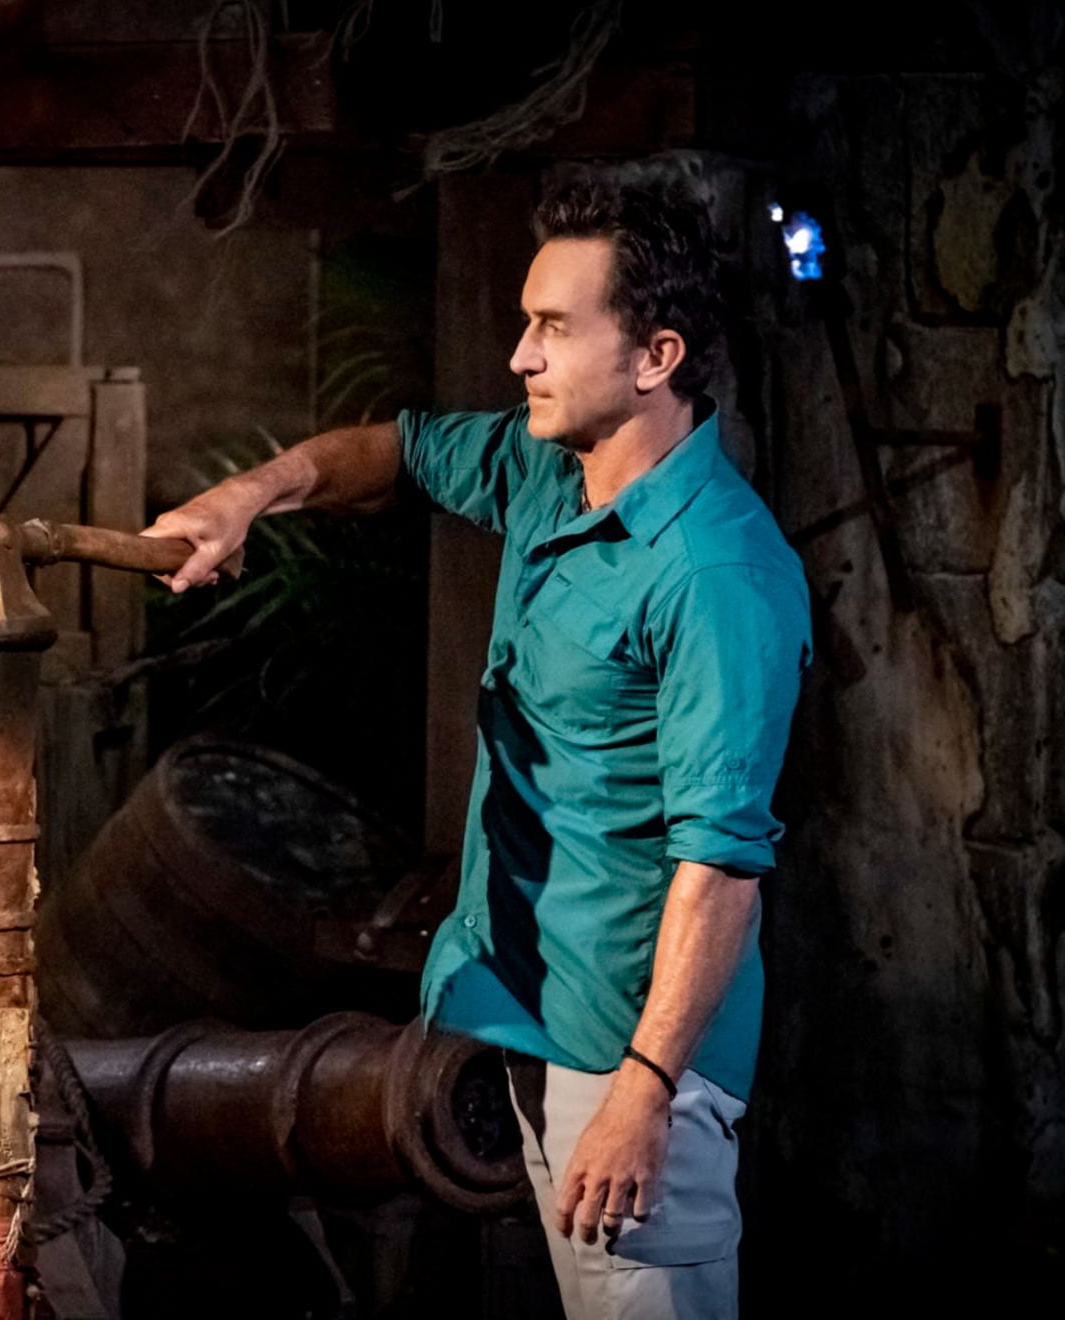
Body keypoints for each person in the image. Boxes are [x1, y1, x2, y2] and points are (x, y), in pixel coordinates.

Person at [147, 176, 810, 1319]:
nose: (519, 357)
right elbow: (394, 452)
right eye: (523, 322)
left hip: (628, 1044)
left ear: (655, 357)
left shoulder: (716, 576)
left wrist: (645, 1091)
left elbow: (720, 869)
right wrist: (247, 498)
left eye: (554, 327)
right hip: (525, 1008)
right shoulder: (548, 471)